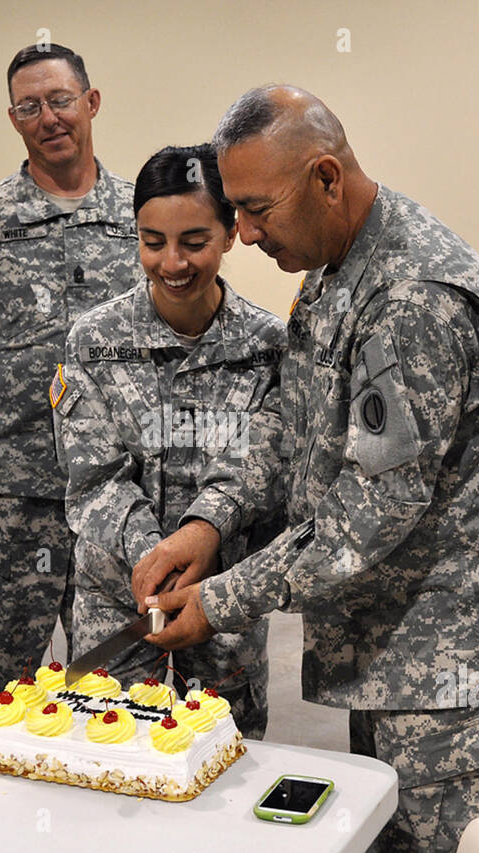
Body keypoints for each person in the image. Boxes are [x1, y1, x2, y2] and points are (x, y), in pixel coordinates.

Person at [135, 86, 479, 853]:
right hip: (395, 647)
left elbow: (374, 508)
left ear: (327, 177)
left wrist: (221, 599)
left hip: (459, 667)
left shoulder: (410, 298)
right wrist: (210, 522)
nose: (247, 233)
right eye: (237, 210)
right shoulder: (335, 267)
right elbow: (289, 423)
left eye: (259, 209)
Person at [0, 43, 142, 696]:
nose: (49, 117)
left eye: (61, 100)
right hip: (8, 496)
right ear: (14, 118)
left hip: (116, 494)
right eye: (30, 106)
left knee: (117, 686)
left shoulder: (141, 220)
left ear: (91, 103)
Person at [52, 144, 284, 738]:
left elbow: (263, 466)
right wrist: (151, 560)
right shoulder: (95, 341)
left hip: (222, 597)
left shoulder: (270, 348)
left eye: (194, 241)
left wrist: (204, 533)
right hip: (117, 597)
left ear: (231, 232)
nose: (172, 262)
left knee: (224, 756)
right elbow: (94, 477)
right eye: (152, 242)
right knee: (110, 750)